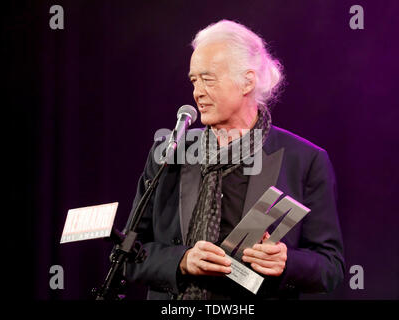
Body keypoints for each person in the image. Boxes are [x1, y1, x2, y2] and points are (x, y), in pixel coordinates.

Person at [123, 20, 345, 300]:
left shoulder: (304, 160)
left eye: (208, 78)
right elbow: (126, 255)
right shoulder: (170, 152)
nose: (197, 91)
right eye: (194, 80)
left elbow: (330, 267)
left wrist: (287, 263)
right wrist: (181, 261)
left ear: (247, 81)